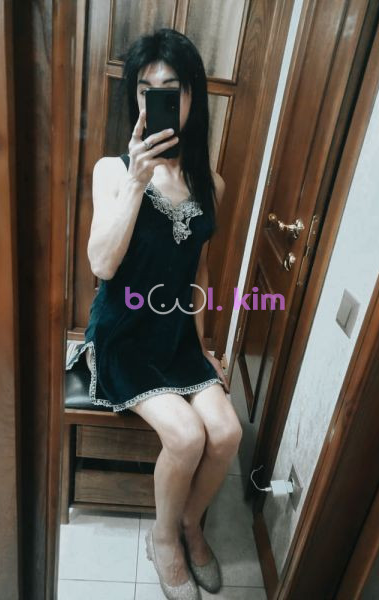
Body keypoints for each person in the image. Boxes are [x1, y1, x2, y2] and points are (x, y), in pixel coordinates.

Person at [65, 28, 243, 600]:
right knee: (187, 436)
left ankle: (190, 524)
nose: (157, 99)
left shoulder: (211, 183)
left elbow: (199, 274)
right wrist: (138, 183)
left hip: (175, 334)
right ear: (136, 99)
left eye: (171, 88)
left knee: (227, 432)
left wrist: (205, 346)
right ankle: (163, 540)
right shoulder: (112, 171)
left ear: (192, 96)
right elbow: (101, 264)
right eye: (146, 89)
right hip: (123, 335)